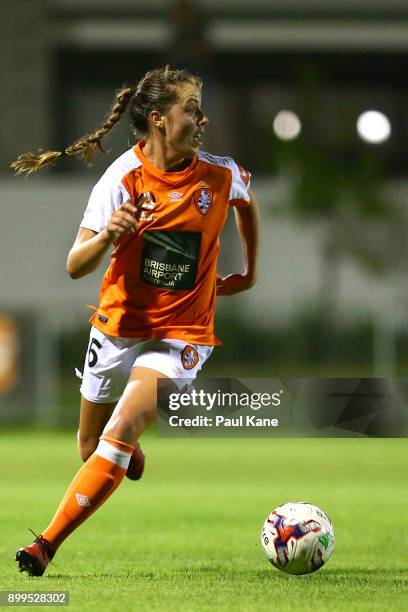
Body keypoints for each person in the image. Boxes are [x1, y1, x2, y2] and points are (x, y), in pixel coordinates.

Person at [11, 66, 259, 576]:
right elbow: (75, 265)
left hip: (184, 333)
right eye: (190, 108)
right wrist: (107, 237)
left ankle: (45, 545)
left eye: (199, 107)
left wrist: (249, 273)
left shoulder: (219, 173)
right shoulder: (121, 178)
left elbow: (245, 204)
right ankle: (123, 453)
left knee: (119, 428)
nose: (201, 117)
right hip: (120, 325)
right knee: (89, 447)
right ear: (158, 120)